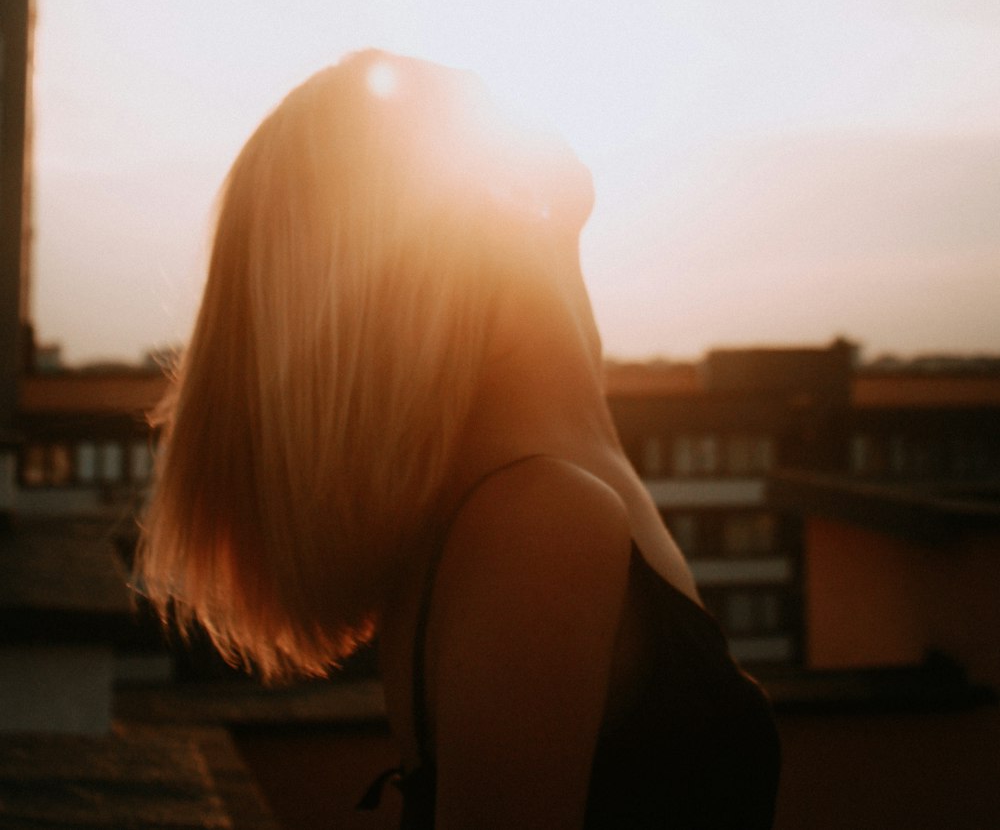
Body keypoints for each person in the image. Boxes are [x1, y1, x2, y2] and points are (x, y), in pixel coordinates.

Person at [138, 49, 780, 830]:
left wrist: (559, 228)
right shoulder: (539, 520)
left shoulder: (547, 464)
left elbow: (577, 368)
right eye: (482, 106)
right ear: (483, 205)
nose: (511, 97)